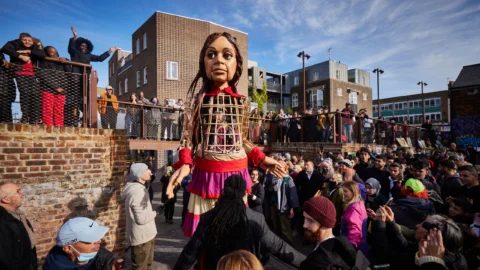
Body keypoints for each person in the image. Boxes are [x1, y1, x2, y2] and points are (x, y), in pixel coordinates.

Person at [165, 32, 283, 237]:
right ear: (203, 62)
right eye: (211, 54)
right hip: (206, 175)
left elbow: (242, 140)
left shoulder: (243, 103)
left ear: (236, 63)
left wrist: (262, 159)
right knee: (205, 237)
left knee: (234, 236)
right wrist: (185, 163)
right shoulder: (198, 101)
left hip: (236, 175)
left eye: (226, 55)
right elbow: (188, 139)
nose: (218, 60)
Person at [173, 175, 305, 269]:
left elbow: (190, 252)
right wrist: (307, 264)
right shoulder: (255, 218)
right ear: (244, 194)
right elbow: (279, 247)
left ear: (224, 192)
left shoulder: (209, 217)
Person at [300, 196, 360, 270]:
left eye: (310, 221)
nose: (304, 225)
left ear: (325, 225)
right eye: (304, 218)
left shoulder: (317, 263)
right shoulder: (343, 243)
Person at [2, 33, 46, 124]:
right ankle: (25, 118)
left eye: (29, 41)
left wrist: (28, 52)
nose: (27, 42)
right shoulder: (15, 44)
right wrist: (20, 56)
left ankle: (35, 118)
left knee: (35, 95)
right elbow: (5, 49)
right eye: (25, 40)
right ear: (20, 40)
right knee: (25, 94)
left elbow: (42, 54)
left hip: (33, 74)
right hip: (20, 73)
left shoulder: (33, 47)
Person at [120, 163, 157, 270]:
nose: (150, 171)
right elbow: (141, 219)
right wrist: (155, 213)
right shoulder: (137, 192)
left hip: (146, 235)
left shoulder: (139, 188)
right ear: (139, 174)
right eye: (147, 170)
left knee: (147, 265)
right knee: (141, 267)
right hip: (142, 239)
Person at [42, 217, 114, 270]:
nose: (99, 241)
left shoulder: (103, 258)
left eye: (97, 237)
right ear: (68, 248)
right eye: (90, 240)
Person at [0, 181, 37, 270]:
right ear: (6, 200)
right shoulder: (2, 223)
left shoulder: (17, 214)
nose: (22, 192)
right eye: (18, 191)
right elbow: (5, 260)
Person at [265, 161, 300, 244]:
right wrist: (272, 186)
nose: (278, 169)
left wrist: (292, 208)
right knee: (275, 224)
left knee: (285, 227)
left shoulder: (288, 179)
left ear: (284, 169)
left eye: (280, 167)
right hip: (274, 205)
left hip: (284, 206)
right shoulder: (272, 178)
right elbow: (268, 190)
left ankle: (288, 244)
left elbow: (292, 194)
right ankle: (277, 243)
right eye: (277, 167)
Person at [37, 46, 70, 127]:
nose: (54, 54)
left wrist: (65, 62)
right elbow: (43, 75)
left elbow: (69, 73)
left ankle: (59, 126)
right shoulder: (44, 62)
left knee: (59, 110)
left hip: (62, 89)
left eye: (55, 52)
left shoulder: (61, 62)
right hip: (48, 89)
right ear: (47, 53)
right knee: (47, 109)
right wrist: (55, 87)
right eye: (51, 52)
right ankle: (49, 127)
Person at [340, 181, 368, 255]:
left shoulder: (354, 208)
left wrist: (350, 249)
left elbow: (355, 231)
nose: (343, 193)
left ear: (353, 192)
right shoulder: (357, 203)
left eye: (345, 191)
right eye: (343, 191)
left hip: (354, 246)